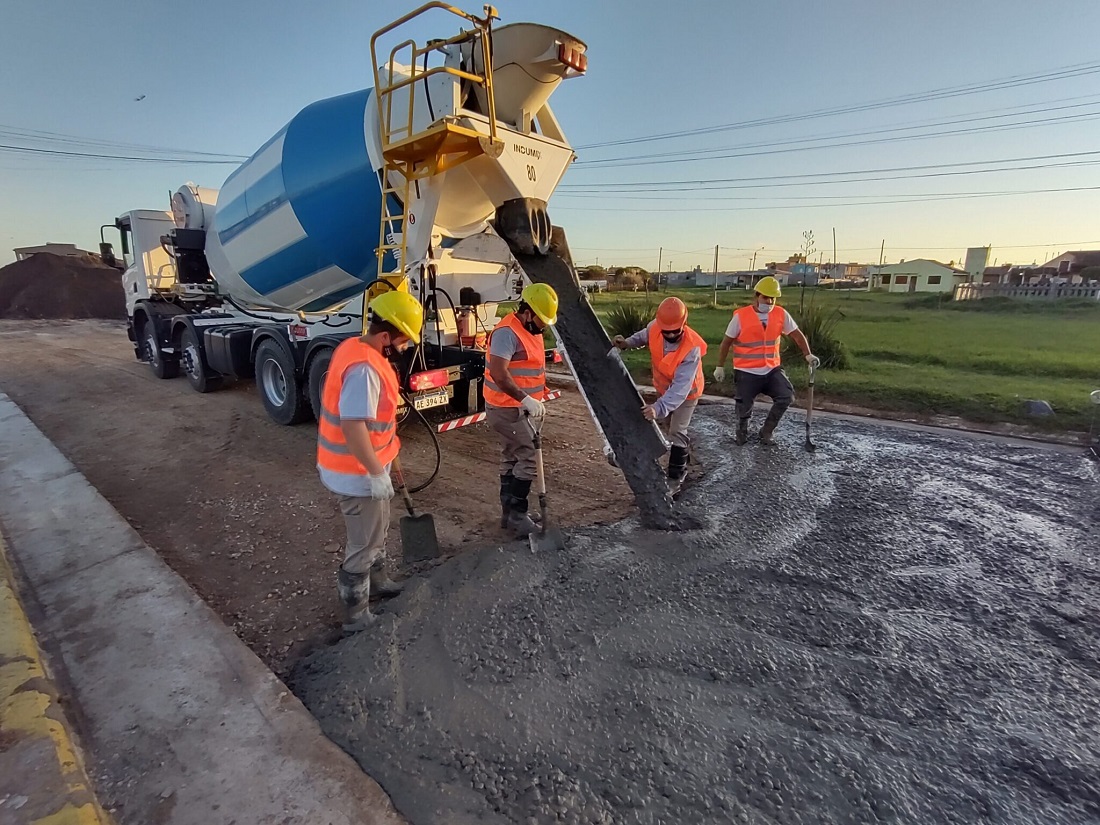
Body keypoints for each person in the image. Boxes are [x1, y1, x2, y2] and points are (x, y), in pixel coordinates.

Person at [316, 290, 423, 632]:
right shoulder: (364, 368)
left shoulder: (358, 348)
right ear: (385, 336)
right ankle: (356, 615)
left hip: (367, 467)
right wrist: (377, 473)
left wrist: (388, 455)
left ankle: (379, 582)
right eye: (404, 340)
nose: (406, 346)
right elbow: (353, 425)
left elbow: (377, 423)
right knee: (363, 542)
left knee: (377, 530)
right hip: (355, 472)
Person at [483, 283, 559, 536]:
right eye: (541, 320)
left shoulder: (530, 330)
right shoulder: (507, 333)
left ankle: (509, 513)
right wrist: (526, 399)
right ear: (527, 311)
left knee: (511, 456)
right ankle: (517, 515)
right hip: (507, 407)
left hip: (519, 408)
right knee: (527, 457)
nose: (544, 325)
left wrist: (534, 399)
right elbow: (499, 373)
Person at [612, 296, 707, 495]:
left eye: (675, 331)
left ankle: (676, 476)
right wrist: (626, 343)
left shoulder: (691, 349)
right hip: (664, 388)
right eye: (667, 331)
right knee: (667, 425)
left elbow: (681, 388)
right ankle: (684, 458)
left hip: (687, 393)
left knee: (677, 431)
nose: (671, 334)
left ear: (684, 324)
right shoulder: (656, 327)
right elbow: (643, 336)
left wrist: (658, 407)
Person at [712, 276, 819, 446]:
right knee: (743, 407)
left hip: (771, 370)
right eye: (765, 297)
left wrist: (808, 355)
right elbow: (726, 342)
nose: (769, 302)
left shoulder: (780, 314)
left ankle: (766, 432)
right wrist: (720, 366)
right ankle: (741, 434)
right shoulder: (741, 317)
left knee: (786, 396)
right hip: (746, 371)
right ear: (756, 296)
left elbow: (797, 335)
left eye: (772, 298)